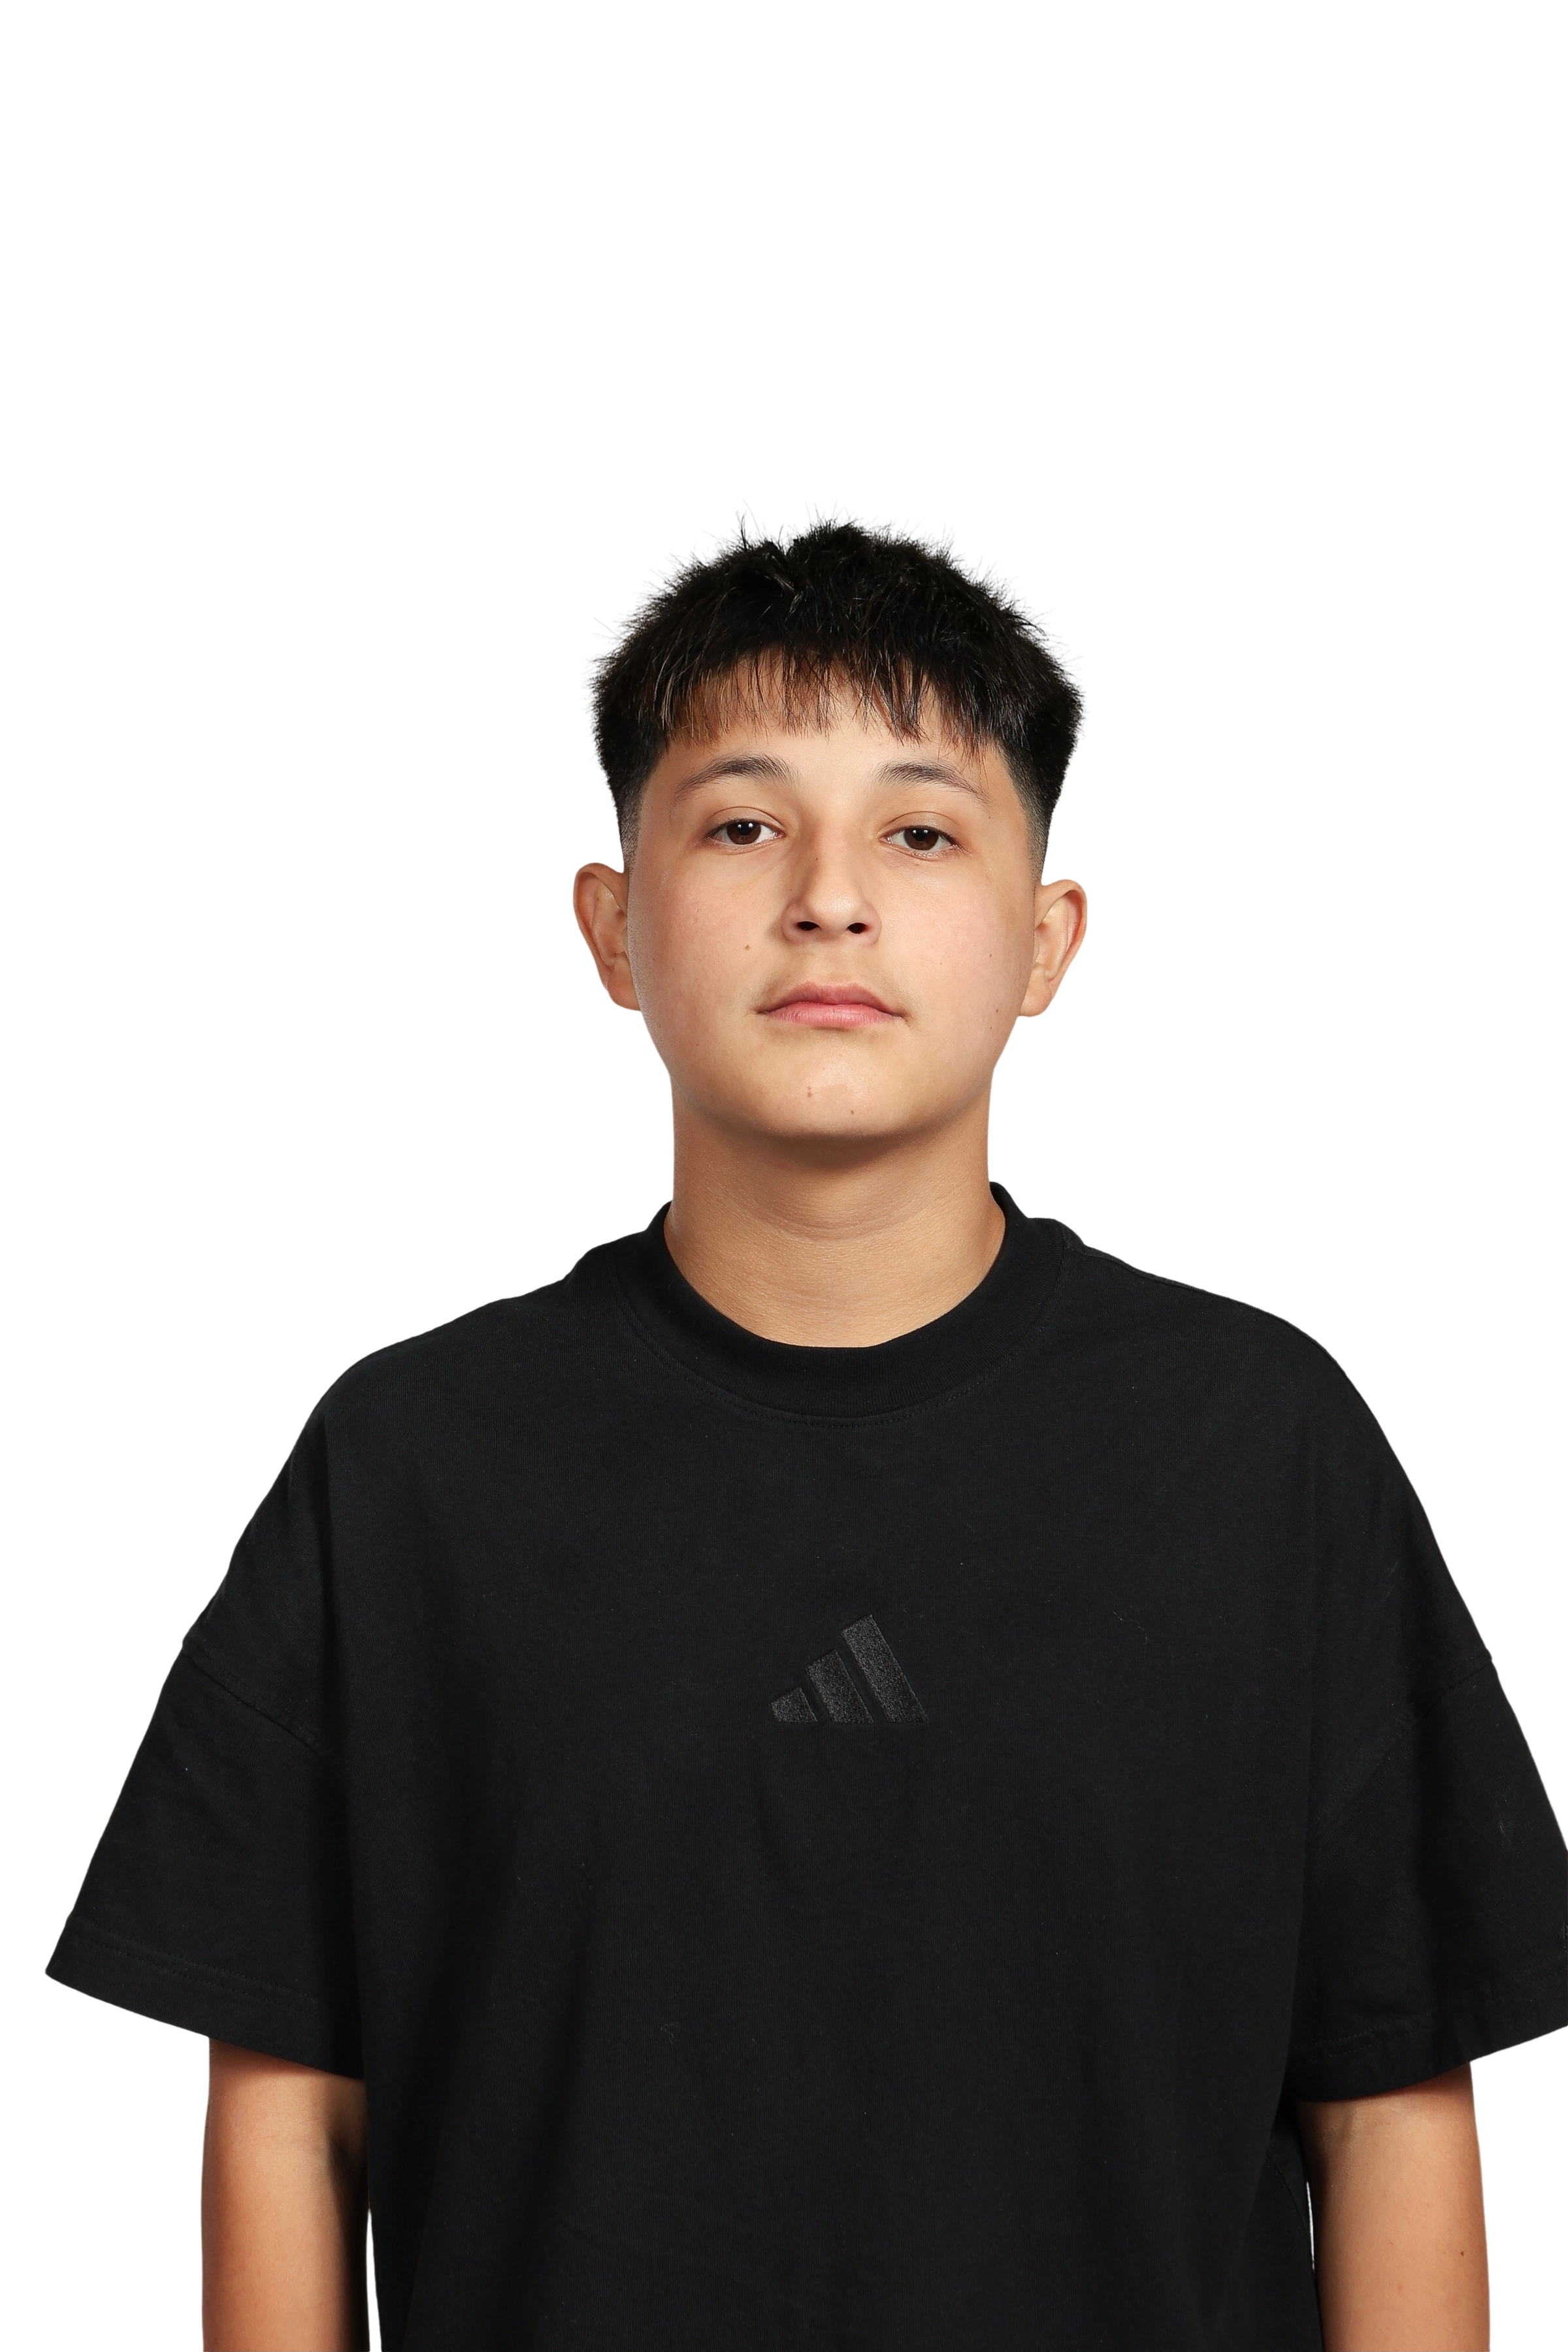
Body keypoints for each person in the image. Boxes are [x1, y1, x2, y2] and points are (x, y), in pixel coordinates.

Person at [44, 501, 1568, 2352]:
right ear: (610, 926)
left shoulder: (1259, 1448)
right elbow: (289, 2106)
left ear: (1048, 939)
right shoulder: (412, 1465)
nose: (829, 897)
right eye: (742, 823)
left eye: (921, 830)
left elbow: (1392, 2095)